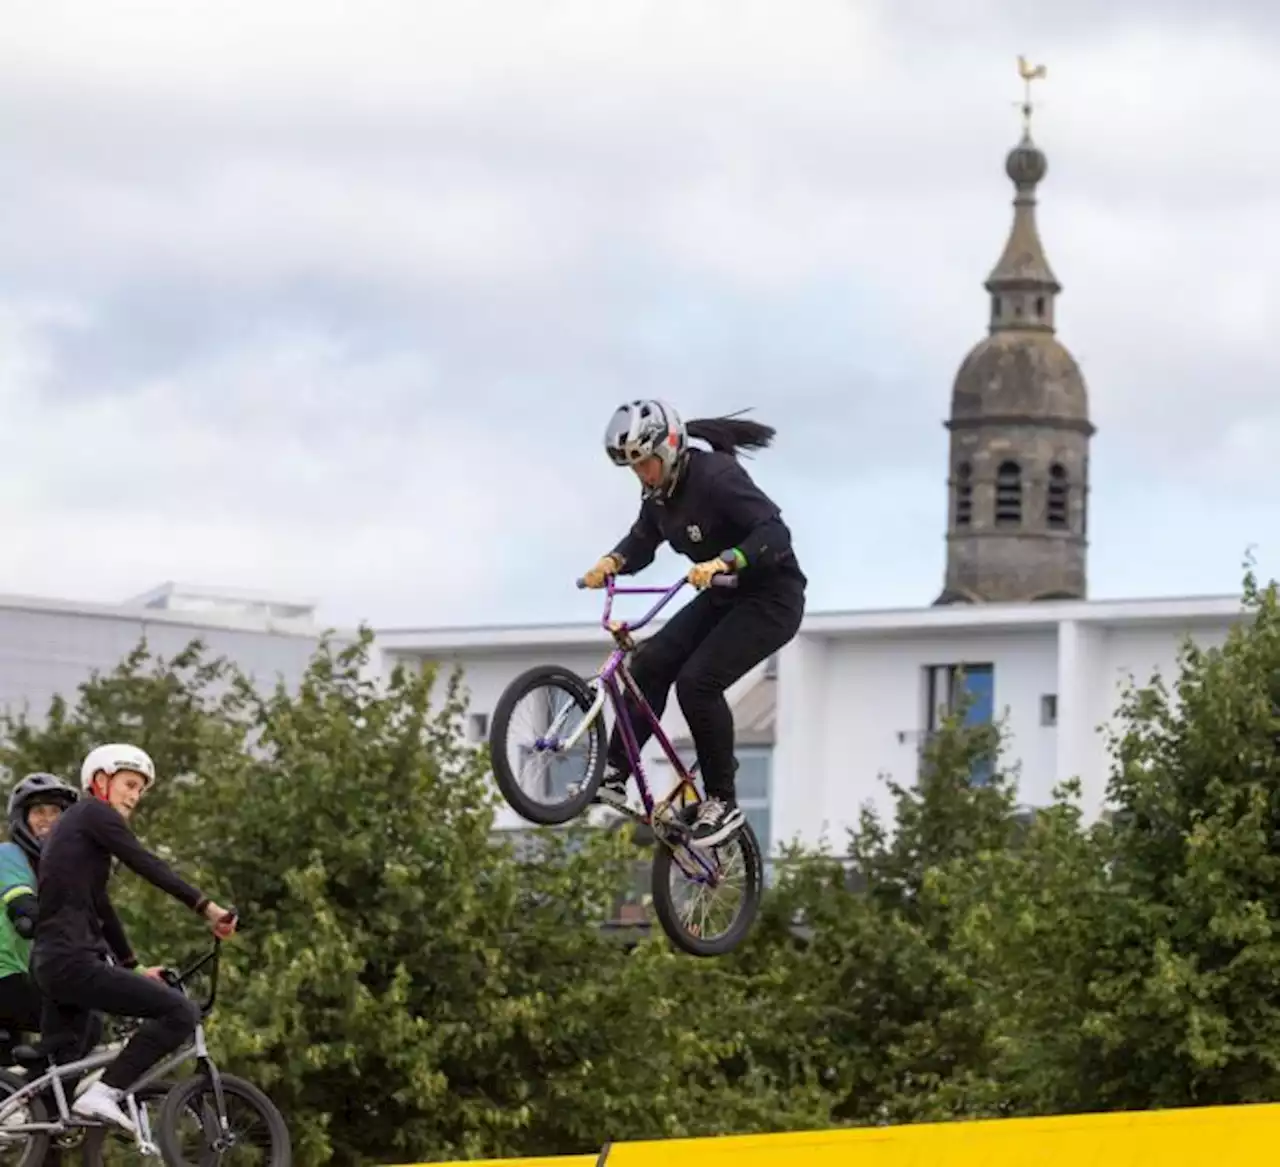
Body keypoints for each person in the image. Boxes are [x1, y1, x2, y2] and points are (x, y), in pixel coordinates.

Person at [578, 398, 806, 848]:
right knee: (649, 664)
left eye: (648, 464)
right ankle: (616, 772)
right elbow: (643, 539)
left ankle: (722, 800)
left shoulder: (717, 478)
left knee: (697, 683)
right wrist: (614, 560)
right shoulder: (659, 497)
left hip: (772, 599)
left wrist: (729, 559)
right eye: (636, 468)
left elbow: (775, 534)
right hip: (724, 596)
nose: (644, 476)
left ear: (670, 448)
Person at [32, 743, 236, 1134]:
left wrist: (134, 967)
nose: (135, 795)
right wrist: (206, 907)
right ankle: (107, 1091)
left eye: (140, 789)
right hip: (72, 960)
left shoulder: (79, 834)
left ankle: (35, 1128)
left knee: (59, 1106)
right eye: (129, 784)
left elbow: (102, 909)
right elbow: (144, 861)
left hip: (56, 963)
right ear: (100, 782)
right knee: (180, 1012)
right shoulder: (93, 812)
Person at [0, 773, 79, 1041]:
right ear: (23, 819)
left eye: (55, 812)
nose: (48, 820)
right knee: (81, 1023)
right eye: (39, 812)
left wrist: (136, 971)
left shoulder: (52, 871)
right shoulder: (9, 854)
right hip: (5, 976)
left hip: (18, 977)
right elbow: (24, 912)